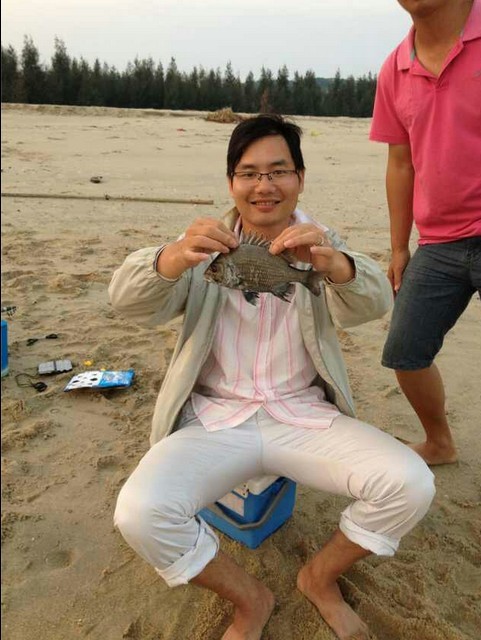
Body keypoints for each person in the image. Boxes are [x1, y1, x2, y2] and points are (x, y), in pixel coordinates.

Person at [109, 114, 435, 640]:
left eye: (279, 171)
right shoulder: (203, 247)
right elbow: (127, 302)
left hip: (303, 416)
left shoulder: (319, 243)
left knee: (412, 483)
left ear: (299, 178)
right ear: (231, 183)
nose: (264, 185)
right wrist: (169, 259)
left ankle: (318, 577)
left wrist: (336, 265)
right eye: (249, 173)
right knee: (139, 514)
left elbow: (373, 302)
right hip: (214, 420)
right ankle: (250, 598)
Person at [370, 0, 481, 466]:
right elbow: (401, 162)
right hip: (438, 243)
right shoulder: (395, 68)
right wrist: (399, 247)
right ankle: (439, 442)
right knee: (405, 352)